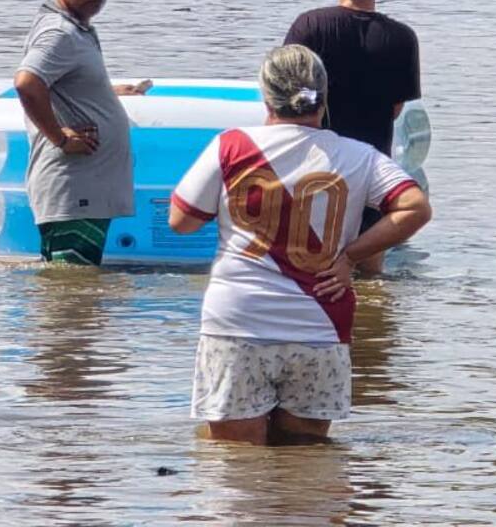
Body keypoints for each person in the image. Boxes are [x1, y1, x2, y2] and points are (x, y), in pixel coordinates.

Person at [170, 43, 432, 446]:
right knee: (306, 464)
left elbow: (182, 221)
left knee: (233, 464)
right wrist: (350, 256)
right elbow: (414, 208)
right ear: (324, 98)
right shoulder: (358, 156)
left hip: (239, 323)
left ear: (265, 95)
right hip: (319, 329)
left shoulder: (231, 147)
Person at [284, 0, 422, 273]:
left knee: (309, 272)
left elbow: (287, 101)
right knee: (369, 275)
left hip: (315, 169)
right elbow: (395, 110)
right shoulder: (402, 38)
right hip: (372, 172)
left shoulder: (309, 26)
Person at [14, 0, 151, 266]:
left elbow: (59, 82)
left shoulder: (76, 28)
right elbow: (27, 83)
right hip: (74, 189)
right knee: (68, 300)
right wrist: (60, 138)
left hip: (85, 191)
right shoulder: (59, 32)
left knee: (73, 300)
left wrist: (104, 91)